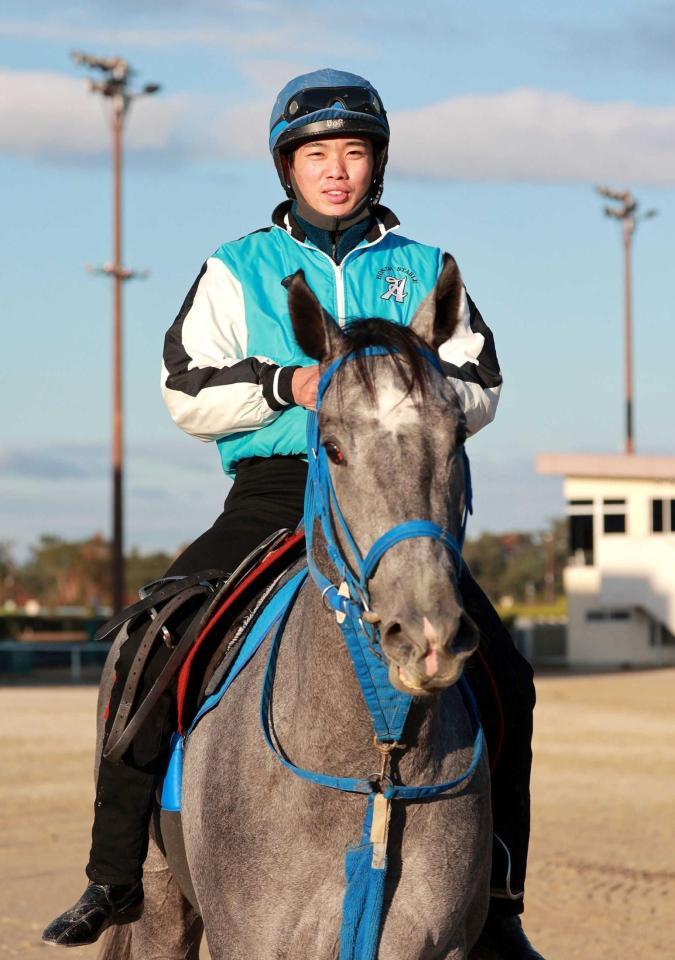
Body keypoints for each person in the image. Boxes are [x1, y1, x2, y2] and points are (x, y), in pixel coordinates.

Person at [43, 69, 544, 959]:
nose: (337, 171)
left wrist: (396, 397)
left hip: (394, 495)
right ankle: (115, 877)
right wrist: (290, 384)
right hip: (274, 488)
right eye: (318, 155)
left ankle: (497, 897)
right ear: (288, 167)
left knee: (502, 669)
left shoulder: (426, 270)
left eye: (354, 152)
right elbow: (184, 387)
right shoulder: (237, 268)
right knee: (147, 639)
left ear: (376, 163)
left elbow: (482, 386)